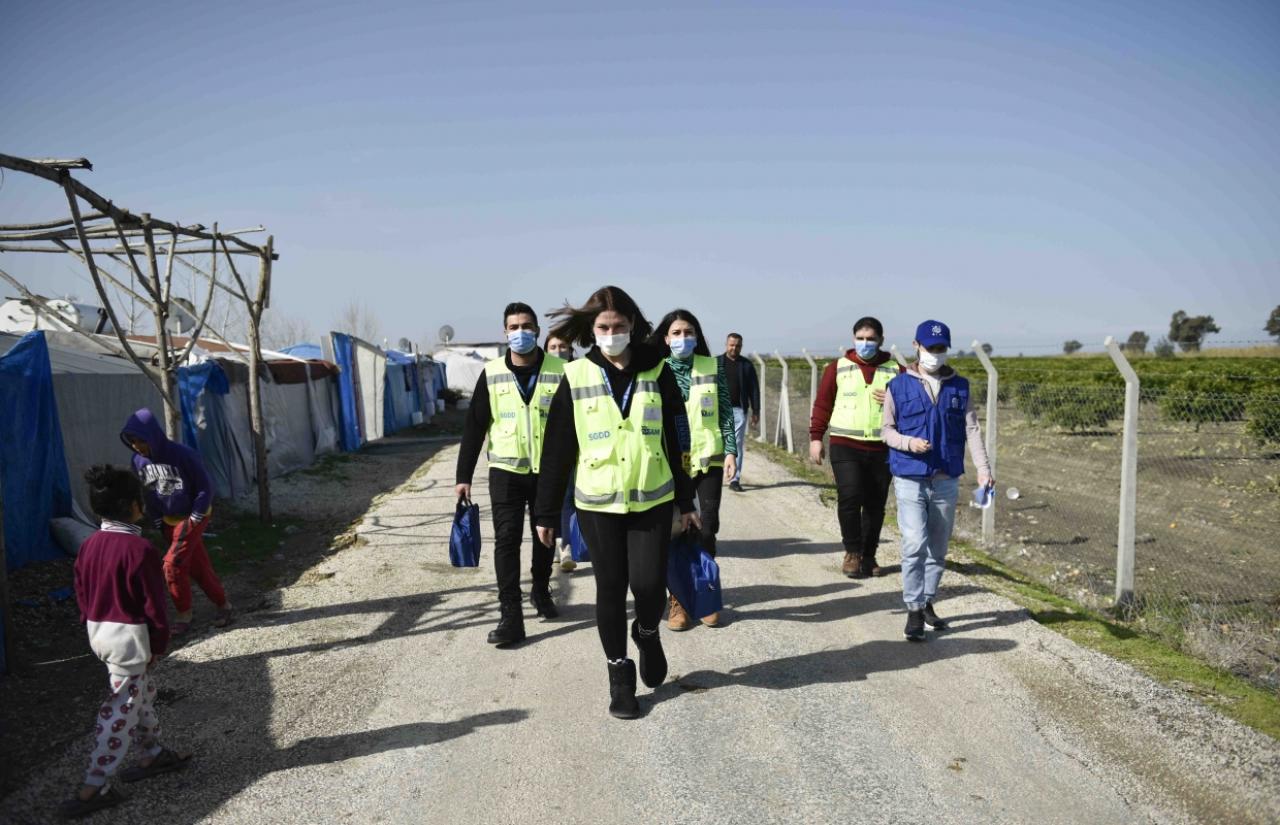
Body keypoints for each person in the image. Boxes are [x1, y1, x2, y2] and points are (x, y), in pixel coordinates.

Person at [534, 286, 699, 719]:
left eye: (619, 326)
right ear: (592, 330)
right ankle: (619, 676)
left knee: (647, 586)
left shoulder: (658, 371)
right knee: (610, 588)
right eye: (603, 327)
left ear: (633, 326)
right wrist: (547, 513)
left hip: (652, 500)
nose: (611, 334)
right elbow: (556, 452)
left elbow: (677, 436)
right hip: (597, 504)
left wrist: (687, 498)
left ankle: (646, 632)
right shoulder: (575, 377)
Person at [60, 465, 189, 819]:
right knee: (119, 710)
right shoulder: (139, 549)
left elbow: (81, 593)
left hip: (100, 634)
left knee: (140, 694)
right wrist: (159, 645)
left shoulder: (88, 545)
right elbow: (154, 606)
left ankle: (152, 752)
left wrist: (91, 622)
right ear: (134, 505)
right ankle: (93, 785)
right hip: (131, 639)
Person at [456, 303, 566, 647]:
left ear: (537, 330)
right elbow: (474, 427)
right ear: (505, 332)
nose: (521, 332)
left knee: (545, 535)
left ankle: (540, 588)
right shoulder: (491, 373)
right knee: (507, 540)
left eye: (527, 325)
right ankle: (511, 615)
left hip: (548, 471)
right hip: (505, 471)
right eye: (514, 326)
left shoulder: (562, 370)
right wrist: (464, 476)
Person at [882, 320, 993, 641]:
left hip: (946, 477)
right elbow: (886, 430)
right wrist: (908, 443)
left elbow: (971, 429)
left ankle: (928, 600)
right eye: (930, 348)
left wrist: (984, 470)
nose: (936, 354)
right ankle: (914, 609)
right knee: (914, 542)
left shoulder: (960, 386)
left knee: (938, 547)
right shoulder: (898, 386)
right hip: (909, 475)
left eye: (941, 348)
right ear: (916, 346)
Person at [649, 309, 737, 630]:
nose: (682, 338)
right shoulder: (656, 371)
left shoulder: (712, 366)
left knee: (706, 527)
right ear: (665, 338)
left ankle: (706, 595)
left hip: (708, 459)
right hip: (674, 462)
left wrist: (731, 450)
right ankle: (679, 601)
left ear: (697, 336)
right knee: (676, 530)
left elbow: (725, 411)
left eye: (688, 332)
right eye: (676, 333)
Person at [121, 409, 231, 636]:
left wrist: (196, 516)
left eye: (141, 440)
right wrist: (157, 519)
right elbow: (148, 492)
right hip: (168, 520)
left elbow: (205, 486)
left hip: (192, 516)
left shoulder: (183, 455)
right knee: (196, 564)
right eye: (132, 441)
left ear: (153, 435)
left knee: (171, 565)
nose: (137, 446)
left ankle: (184, 614)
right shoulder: (138, 461)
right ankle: (224, 605)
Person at [809, 317, 902, 579]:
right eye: (860, 338)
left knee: (875, 504)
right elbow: (823, 405)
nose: (865, 343)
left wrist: (897, 400)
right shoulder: (837, 368)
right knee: (850, 498)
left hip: (882, 447)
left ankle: (869, 554)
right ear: (853, 340)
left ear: (881, 340)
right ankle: (852, 552)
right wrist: (816, 437)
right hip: (844, 444)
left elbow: (911, 406)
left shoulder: (896, 370)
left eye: (870, 338)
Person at [544, 331, 580, 572]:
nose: (558, 351)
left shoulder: (580, 373)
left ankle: (566, 546)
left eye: (563, 346)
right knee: (550, 499)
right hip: (546, 448)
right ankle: (554, 545)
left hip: (576, 445)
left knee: (568, 497)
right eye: (553, 347)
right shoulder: (542, 376)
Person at [717, 333, 760, 492]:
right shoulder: (716, 363)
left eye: (738, 346)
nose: (734, 348)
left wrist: (756, 410)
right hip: (718, 411)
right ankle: (714, 476)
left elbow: (754, 390)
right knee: (716, 444)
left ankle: (734, 479)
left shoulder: (747, 365)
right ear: (726, 344)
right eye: (731, 345)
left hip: (738, 411)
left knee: (736, 445)